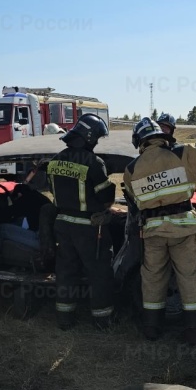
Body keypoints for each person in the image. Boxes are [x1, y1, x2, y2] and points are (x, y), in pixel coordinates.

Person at [123, 116, 196, 345]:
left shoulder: (131, 169)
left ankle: (151, 327)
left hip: (153, 232)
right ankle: (193, 329)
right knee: (189, 277)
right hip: (183, 230)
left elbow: (134, 201)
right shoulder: (183, 153)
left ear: (139, 141)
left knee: (152, 278)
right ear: (162, 136)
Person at [46, 113, 116, 330]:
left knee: (66, 272)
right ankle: (102, 319)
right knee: (99, 272)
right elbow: (106, 198)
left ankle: (65, 319)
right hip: (89, 228)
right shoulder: (94, 163)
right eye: (96, 138)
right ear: (88, 137)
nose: (96, 143)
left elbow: (52, 190)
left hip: (62, 225)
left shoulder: (55, 161)